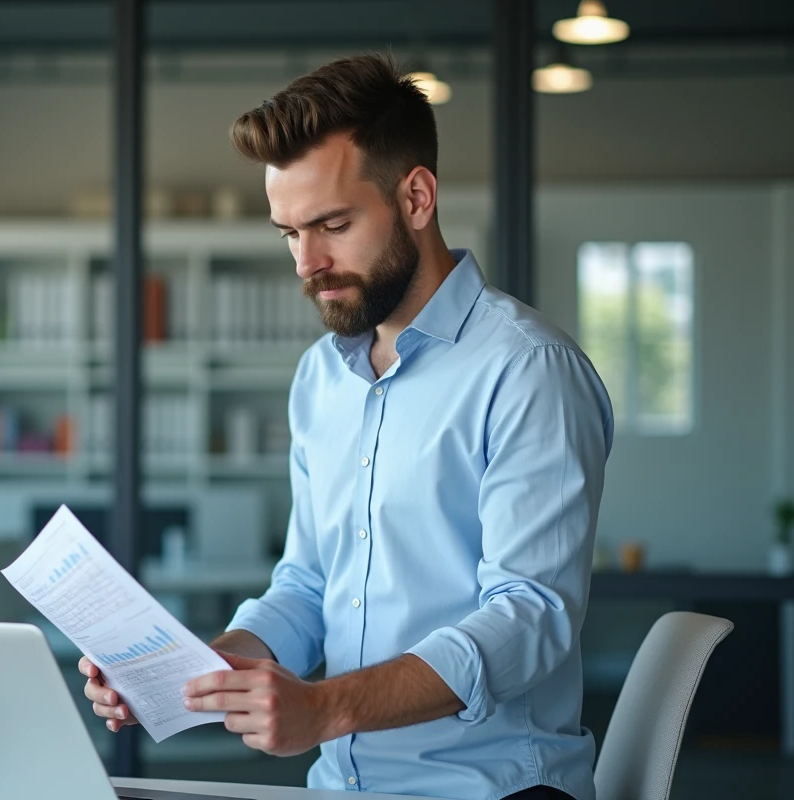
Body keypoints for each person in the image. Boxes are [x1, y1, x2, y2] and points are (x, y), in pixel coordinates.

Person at [79, 52, 614, 800]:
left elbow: (531, 617)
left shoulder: (528, 370)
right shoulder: (322, 377)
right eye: (289, 234)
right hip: (340, 786)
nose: (308, 263)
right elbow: (306, 585)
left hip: (491, 789)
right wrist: (199, 669)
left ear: (418, 196)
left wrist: (325, 707)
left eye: (333, 224)